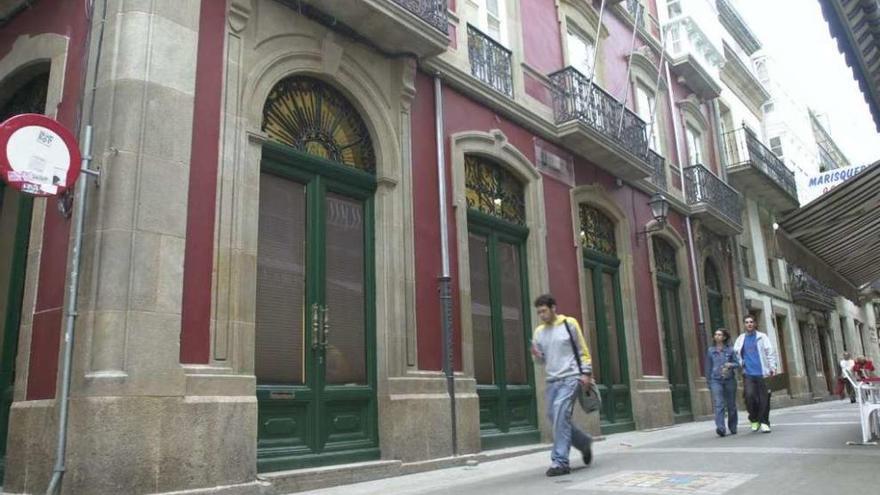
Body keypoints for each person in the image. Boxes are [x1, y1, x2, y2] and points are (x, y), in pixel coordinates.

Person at [530, 294, 593, 477]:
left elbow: (582, 350)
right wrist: (536, 355)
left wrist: (586, 373)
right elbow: (541, 361)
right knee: (554, 415)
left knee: (559, 412)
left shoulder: (569, 324)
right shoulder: (539, 332)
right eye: (539, 312)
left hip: (571, 377)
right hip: (552, 381)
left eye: (544, 311)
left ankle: (560, 462)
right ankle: (583, 443)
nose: (541, 315)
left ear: (553, 308)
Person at [733, 315, 778, 433]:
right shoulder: (740, 339)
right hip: (748, 373)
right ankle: (754, 419)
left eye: (751, 322)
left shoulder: (762, 337)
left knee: (764, 398)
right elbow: (736, 353)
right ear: (744, 324)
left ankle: (764, 422)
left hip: (763, 373)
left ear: (755, 324)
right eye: (747, 322)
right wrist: (741, 364)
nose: (749, 324)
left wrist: (772, 367)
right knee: (749, 396)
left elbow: (770, 352)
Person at [705, 328, 739, 437]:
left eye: (719, 335)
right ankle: (720, 428)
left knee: (731, 405)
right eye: (715, 334)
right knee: (719, 404)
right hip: (715, 380)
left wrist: (730, 365)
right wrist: (709, 381)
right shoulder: (711, 350)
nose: (717, 336)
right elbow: (708, 367)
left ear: (724, 337)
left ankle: (733, 426)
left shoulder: (730, 350)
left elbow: (737, 363)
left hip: (729, 380)